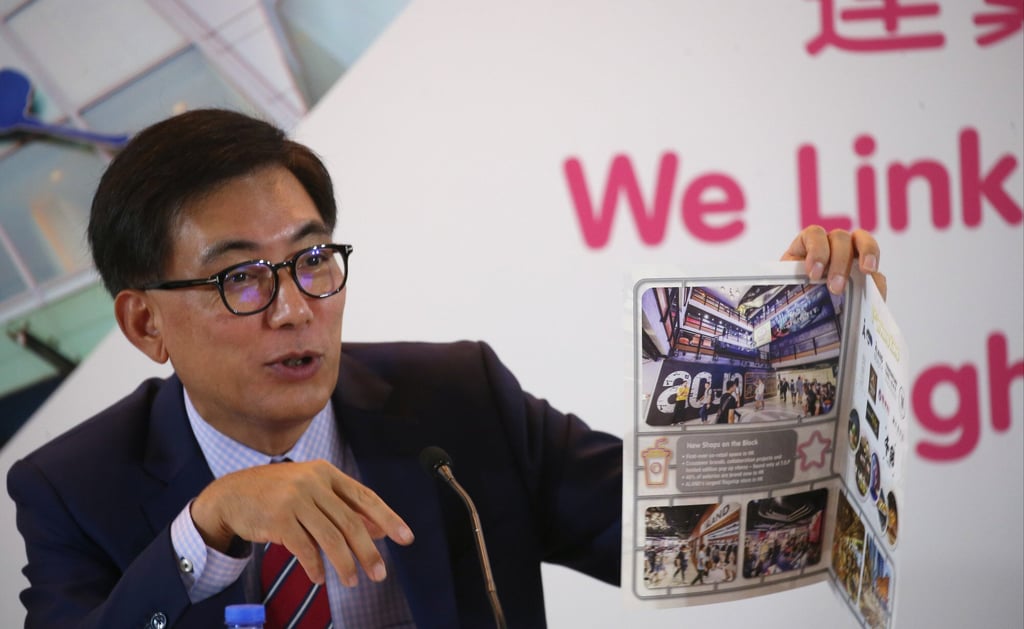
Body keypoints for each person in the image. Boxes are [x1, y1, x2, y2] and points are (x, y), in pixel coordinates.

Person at [5, 109, 886, 628]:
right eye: (241, 277)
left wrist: (801, 342)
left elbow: (684, 527)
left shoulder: (459, 401)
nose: (293, 306)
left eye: (313, 258)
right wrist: (210, 528)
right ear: (145, 321)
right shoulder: (72, 486)